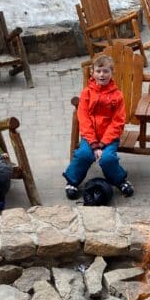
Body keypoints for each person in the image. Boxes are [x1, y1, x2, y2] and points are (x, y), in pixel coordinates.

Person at [63, 55, 134, 200]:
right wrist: (94, 145)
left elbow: (118, 122)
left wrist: (102, 144)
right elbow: (84, 119)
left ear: (111, 73)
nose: (102, 75)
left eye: (106, 71)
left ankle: (120, 180)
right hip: (90, 137)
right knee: (83, 155)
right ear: (92, 72)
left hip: (109, 139)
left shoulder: (117, 96)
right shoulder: (86, 93)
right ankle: (72, 181)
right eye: (99, 71)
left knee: (107, 158)